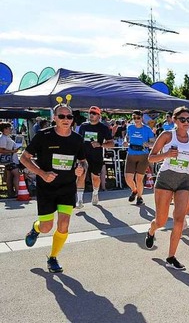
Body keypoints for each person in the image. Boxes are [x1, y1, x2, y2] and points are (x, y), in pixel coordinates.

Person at [22, 102, 87, 273]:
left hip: (67, 188)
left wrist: (81, 169)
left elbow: (82, 161)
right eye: (62, 116)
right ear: (54, 118)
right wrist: (42, 173)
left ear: (73, 119)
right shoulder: (43, 136)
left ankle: (53, 258)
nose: (66, 119)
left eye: (69, 116)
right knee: (46, 227)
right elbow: (24, 158)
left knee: (64, 225)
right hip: (46, 188)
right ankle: (35, 228)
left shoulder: (77, 139)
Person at [145, 106, 189, 270]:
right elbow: (151, 158)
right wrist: (166, 155)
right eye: (182, 119)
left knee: (179, 220)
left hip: (183, 179)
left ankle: (171, 256)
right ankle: (151, 230)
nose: (186, 123)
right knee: (161, 221)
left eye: (188, 120)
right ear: (175, 120)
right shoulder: (167, 135)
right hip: (166, 179)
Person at [75, 106, 114, 207]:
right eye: (90, 113)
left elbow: (111, 144)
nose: (91, 115)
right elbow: (79, 141)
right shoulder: (83, 126)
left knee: (95, 178)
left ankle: (95, 193)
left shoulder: (103, 128)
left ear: (99, 116)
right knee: (80, 176)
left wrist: (100, 145)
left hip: (96, 156)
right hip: (83, 156)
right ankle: (79, 200)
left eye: (94, 113)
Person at [124, 110, 155, 205]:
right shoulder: (130, 127)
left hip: (143, 155)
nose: (136, 120)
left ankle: (140, 197)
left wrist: (148, 144)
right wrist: (125, 141)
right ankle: (134, 190)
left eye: (138, 118)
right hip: (131, 154)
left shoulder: (147, 129)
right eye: (134, 118)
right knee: (128, 178)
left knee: (139, 178)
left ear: (141, 118)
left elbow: (153, 142)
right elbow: (127, 137)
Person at [0, 123, 20, 197]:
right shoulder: (3, 138)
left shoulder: (7, 137)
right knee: (16, 175)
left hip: (10, 159)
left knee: (9, 176)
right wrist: (12, 151)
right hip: (9, 160)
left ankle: (10, 192)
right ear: (5, 129)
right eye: (9, 128)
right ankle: (17, 192)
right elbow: (1, 150)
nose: (11, 129)